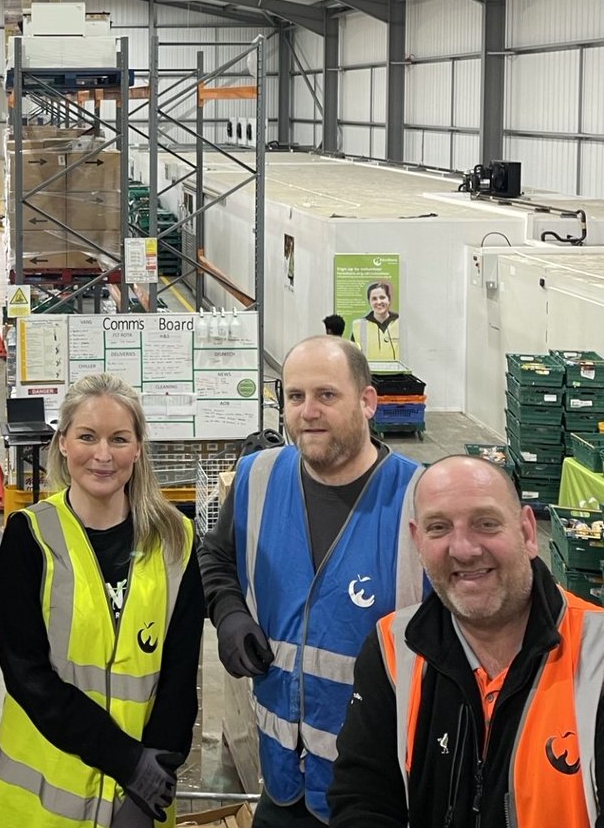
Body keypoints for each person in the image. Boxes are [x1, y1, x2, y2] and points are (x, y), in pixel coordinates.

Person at [199, 336, 424, 826]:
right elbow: (215, 556)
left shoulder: (420, 499)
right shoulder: (256, 476)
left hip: (377, 789)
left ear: (367, 402)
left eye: (327, 395)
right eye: (296, 397)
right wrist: (230, 614)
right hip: (282, 781)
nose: (308, 412)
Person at [329, 455, 604, 826]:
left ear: (526, 532)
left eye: (486, 524)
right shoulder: (393, 649)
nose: (463, 549)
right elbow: (363, 798)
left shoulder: (597, 653)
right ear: (418, 541)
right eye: (439, 528)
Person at [0, 373, 205, 827]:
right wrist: (129, 763)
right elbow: (28, 677)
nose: (103, 455)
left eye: (119, 439)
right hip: (41, 808)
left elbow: (180, 679)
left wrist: (150, 789)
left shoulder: (176, 541)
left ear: (138, 448)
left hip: (140, 799)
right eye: (88, 436)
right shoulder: (30, 538)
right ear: (63, 443)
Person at [350, 280, 399, 362]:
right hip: (368, 374)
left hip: (398, 374)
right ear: (369, 302)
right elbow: (354, 357)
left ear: (389, 299)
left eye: (382, 297)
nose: (379, 302)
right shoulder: (359, 325)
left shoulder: (401, 323)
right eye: (374, 299)